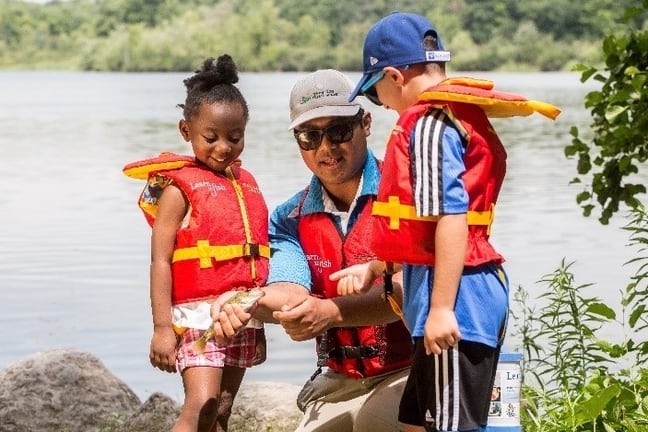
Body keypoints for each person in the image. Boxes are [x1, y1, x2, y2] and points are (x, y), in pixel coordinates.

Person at [334, 11, 561, 432]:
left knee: (450, 426)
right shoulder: (449, 116)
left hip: (459, 302)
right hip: (455, 293)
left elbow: (453, 217)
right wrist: (376, 267)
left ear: (394, 77)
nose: (380, 104)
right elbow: (420, 229)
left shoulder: (429, 125)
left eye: (375, 93)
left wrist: (440, 309)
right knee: (416, 424)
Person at [210, 69, 413, 432]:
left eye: (338, 131)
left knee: (372, 423)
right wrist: (245, 301)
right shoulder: (289, 218)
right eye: (309, 136)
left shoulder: (404, 199)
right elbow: (289, 289)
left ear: (365, 123)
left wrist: (331, 311)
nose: (326, 148)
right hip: (342, 378)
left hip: (414, 366)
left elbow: (409, 291)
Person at [122, 54, 269, 432]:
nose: (224, 147)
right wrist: (161, 328)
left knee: (220, 409)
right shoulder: (177, 190)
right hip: (194, 318)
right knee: (200, 404)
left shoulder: (244, 182)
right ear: (186, 131)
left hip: (239, 317)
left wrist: (260, 327)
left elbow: (252, 269)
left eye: (235, 138)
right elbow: (159, 260)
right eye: (211, 137)